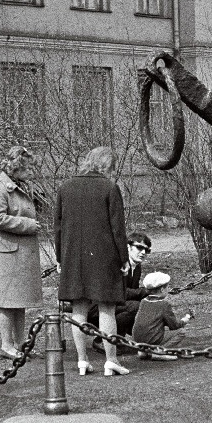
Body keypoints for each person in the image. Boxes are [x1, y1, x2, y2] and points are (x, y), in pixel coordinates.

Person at [54, 146, 131, 376]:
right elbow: (118, 228)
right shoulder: (109, 188)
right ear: (107, 165)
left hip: (73, 258)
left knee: (78, 308)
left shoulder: (65, 187)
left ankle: (81, 361)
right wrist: (124, 258)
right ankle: (111, 360)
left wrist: (60, 257)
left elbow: (58, 227)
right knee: (107, 308)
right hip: (104, 258)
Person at [0, 146, 43, 360]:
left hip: (18, 254)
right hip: (7, 254)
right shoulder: (0, 189)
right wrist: (28, 224)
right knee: (7, 303)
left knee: (19, 301)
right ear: (16, 167)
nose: (31, 172)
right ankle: (7, 345)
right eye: (28, 168)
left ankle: (19, 344)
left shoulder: (19, 186)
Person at [89, 231, 152, 354]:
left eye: (147, 250)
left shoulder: (137, 266)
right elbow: (117, 292)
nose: (143, 253)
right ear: (128, 247)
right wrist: (143, 292)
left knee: (142, 305)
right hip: (97, 306)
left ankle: (117, 339)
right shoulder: (117, 263)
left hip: (115, 304)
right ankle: (101, 340)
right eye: (139, 247)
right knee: (135, 306)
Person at [132, 272, 192, 361]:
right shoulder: (164, 304)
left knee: (154, 328)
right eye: (167, 287)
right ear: (162, 290)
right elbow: (174, 326)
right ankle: (159, 352)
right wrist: (185, 319)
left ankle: (144, 351)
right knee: (181, 332)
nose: (168, 289)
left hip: (137, 338)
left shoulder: (143, 301)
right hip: (152, 338)